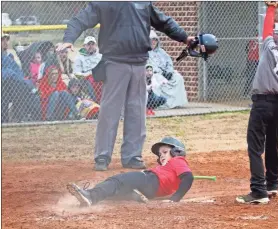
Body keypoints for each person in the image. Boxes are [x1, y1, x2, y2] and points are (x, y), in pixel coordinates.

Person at [57, 2, 194, 171]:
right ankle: (102, 156)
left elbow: (163, 22)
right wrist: (68, 39)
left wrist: (185, 37)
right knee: (109, 111)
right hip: (115, 62)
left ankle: (132, 156)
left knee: (137, 111)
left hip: (139, 63)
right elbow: (80, 20)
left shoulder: (143, 2)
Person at [236, 2, 278, 204]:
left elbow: (266, 29)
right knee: (273, 145)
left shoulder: (270, 48)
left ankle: (258, 191)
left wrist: (271, 8)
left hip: (261, 105)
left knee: (255, 147)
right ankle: (272, 184)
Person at [67, 137, 194, 207]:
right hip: (151, 188)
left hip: (149, 180)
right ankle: (134, 195)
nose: (161, 156)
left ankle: (90, 195)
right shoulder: (170, 168)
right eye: (160, 154)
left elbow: (188, 177)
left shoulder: (178, 160)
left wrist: (175, 198)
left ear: (176, 152)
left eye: (165, 152)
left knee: (117, 181)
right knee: (117, 192)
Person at [148, 30, 188, 108]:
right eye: (151, 40)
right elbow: (149, 66)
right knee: (157, 78)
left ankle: (176, 103)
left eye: (155, 40)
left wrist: (169, 71)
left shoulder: (162, 52)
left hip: (166, 73)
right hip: (156, 74)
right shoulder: (145, 53)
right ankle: (161, 104)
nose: (153, 42)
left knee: (178, 78)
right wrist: (160, 72)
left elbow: (169, 62)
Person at [73, 36, 102, 103]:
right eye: (88, 44)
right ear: (84, 46)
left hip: (100, 77)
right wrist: (88, 74)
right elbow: (76, 73)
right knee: (89, 81)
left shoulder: (100, 56)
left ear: (96, 45)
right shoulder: (79, 57)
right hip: (86, 79)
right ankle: (96, 102)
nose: (91, 46)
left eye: (92, 44)